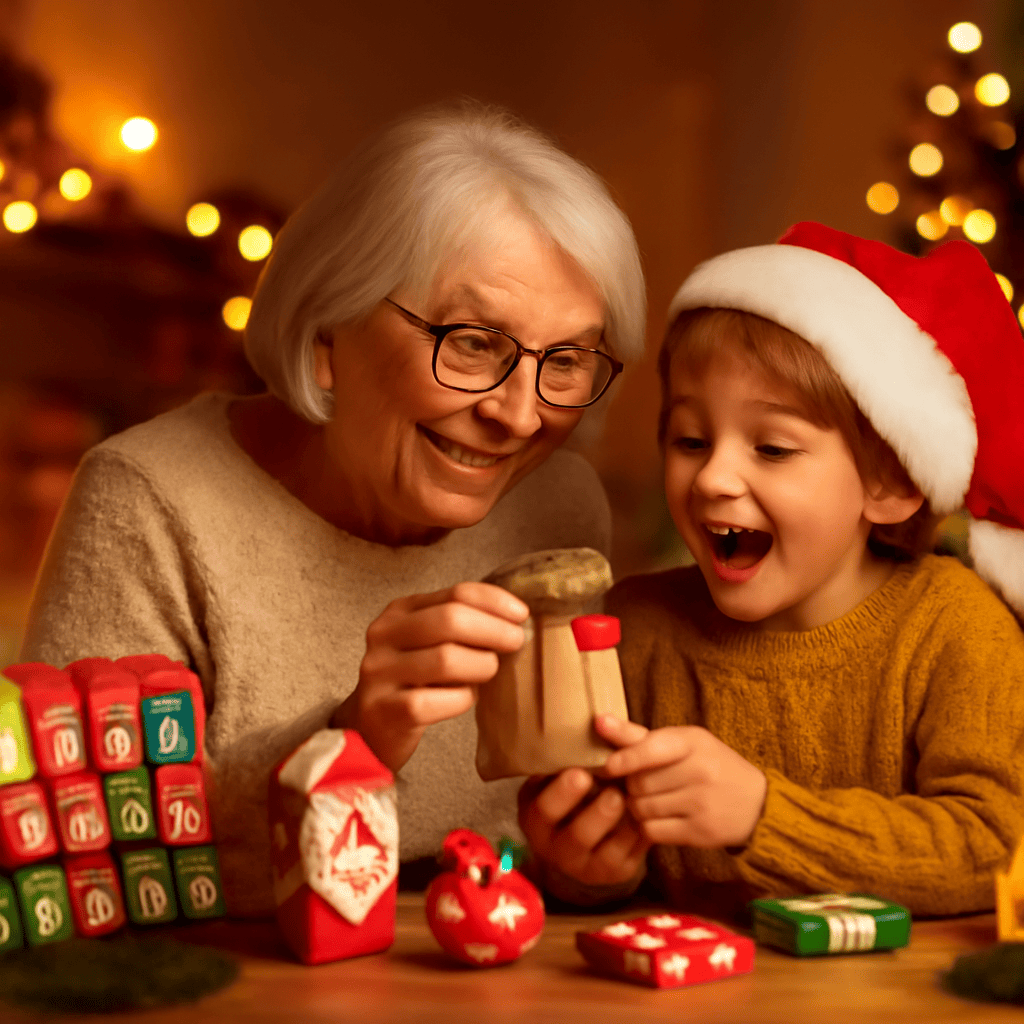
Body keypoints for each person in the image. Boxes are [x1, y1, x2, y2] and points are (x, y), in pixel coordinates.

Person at [19, 103, 646, 916]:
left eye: (564, 360)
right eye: (473, 342)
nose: (522, 415)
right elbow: (85, 877)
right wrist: (343, 743)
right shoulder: (150, 500)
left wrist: (588, 861)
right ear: (328, 333)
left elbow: (537, 841)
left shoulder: (560, 506)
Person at [520, 221, 1024, 917]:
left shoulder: (958, 629)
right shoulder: (633, 631)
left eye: (774, 448)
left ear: (891, 483)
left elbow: (994, 845)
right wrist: (585, 869)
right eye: (690, 439)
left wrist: (763, 816)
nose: (713, 478)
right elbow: (599, 874)